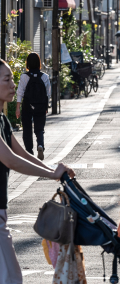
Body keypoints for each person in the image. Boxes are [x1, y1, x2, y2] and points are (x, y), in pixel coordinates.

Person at [0, 58, 75, 284]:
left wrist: (54, 169)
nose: (13, 85)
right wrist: (52, 174)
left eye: (13, 79)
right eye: (7, 79)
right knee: (11, 278)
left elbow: (22, 153)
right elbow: (10, 160)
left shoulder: (2, 120)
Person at [16, 52, 51, 161]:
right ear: (39, 63)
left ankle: (29, 152)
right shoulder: (45, 77)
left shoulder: (24, 77)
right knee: (39, 128)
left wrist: (18, 108)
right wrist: (46, 107)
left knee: (27, 128)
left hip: (27, 106)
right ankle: (40, 145)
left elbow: (20, 93)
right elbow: (48, 94)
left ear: (28, 64)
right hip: (40, 106)